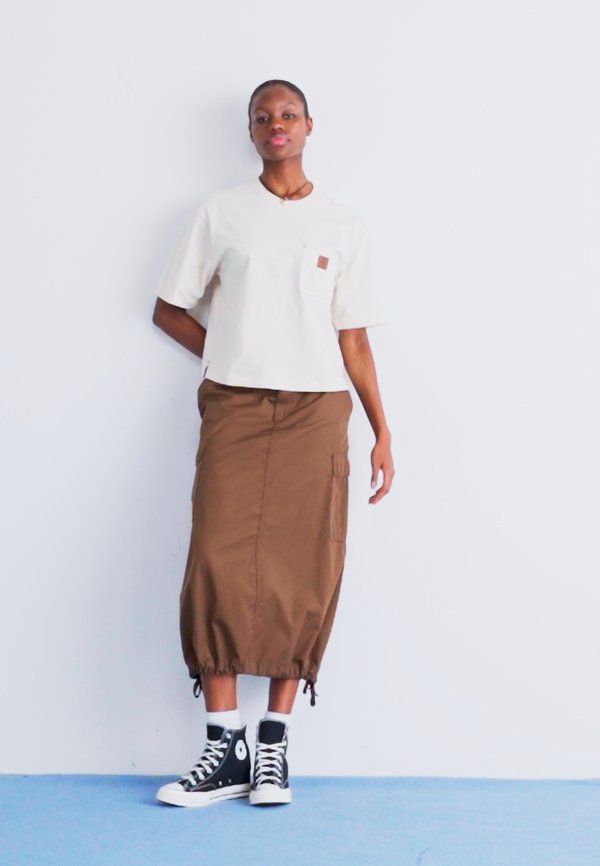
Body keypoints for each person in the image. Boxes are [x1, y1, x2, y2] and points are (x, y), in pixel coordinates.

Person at [151, 79, 394, 808]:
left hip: (317, 413)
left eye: (288, 114)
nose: (275, 125)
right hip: (235, 407)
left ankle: (272, 747)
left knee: (304, 566)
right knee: (215, 560)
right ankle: (222, 743)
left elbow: (353, 340)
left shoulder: (343, 226)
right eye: (263, 117)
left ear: (309, 125)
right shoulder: (220, 213)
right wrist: (230, 352)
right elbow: (168, 309)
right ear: (251, 132)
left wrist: (383, 430)